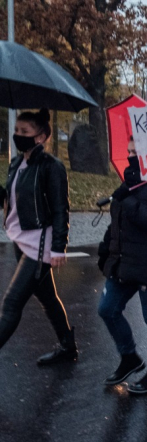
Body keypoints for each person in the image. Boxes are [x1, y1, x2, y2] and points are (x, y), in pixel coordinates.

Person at [96, 137, 147, 394]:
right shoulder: (130, 182)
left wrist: (128, 200)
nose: (132, 157)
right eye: (129, 151)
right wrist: (106, 250)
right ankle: (130, 357)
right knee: (107, 309)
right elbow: (118, 223)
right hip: (126, 264)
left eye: (138, 152)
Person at [0, 109, 76, 365]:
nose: (17, 135)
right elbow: (11, 199)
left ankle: (68, 347)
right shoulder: (16, 163)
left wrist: (58, 248)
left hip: (40, 246)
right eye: (17, 130)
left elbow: (59, 209)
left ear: (41, 136)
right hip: (21, 240)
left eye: (24, 132)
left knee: (11, 305)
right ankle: (68, 347)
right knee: (47, 297)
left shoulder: (52, 167)